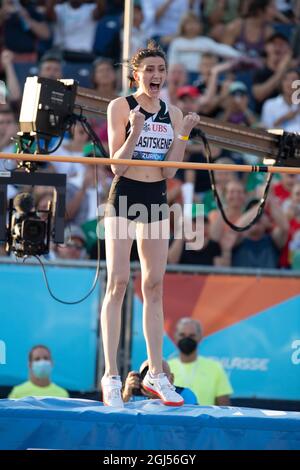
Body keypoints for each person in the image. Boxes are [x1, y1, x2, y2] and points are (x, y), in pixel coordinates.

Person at [100, 41, 201, 407]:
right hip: (124, 194)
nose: (156, 76)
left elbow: (170, 170)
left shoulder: (172, 113)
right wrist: (135, 130)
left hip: (156, 198)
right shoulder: (121, 106)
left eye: (161, 70)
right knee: (119, 282)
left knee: (154, 285)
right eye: (149, 70)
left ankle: (156, 373)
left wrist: (184, 133)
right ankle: (111, 374)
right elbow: (117, 165)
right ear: (136, 75)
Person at [168, 318, 233, 406]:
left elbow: (224, 407)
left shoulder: (214, 367)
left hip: (205, 419)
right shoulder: (166, 368)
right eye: (182, 335)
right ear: (175, 336)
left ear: (200, 337)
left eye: (192, 336)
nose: (187, 339)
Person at [123, 359, 198, 405]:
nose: (154, 379)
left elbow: (194, 425)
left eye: (161, 376)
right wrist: (126, 395)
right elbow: (117, 423)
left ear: (171, 378)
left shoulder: (184, 394)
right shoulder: (133, 395)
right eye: (147, 374)